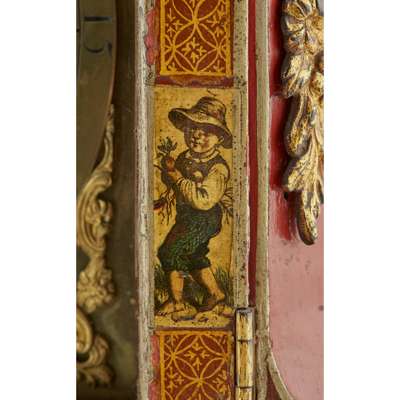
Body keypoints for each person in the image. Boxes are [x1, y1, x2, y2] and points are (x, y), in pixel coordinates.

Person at [157, 97, 232, 321]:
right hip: (187, 216)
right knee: (194, 255)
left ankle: (178, 301)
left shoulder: (218, 168)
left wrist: (178, 179)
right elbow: (174, 183)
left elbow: (203, 200)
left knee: (170, 251)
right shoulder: (184, 158)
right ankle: (215, 294)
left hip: (204, 218)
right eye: (192, 128)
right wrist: (168, 172)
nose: (197, 135)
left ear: (219, 138)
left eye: (206, 132)